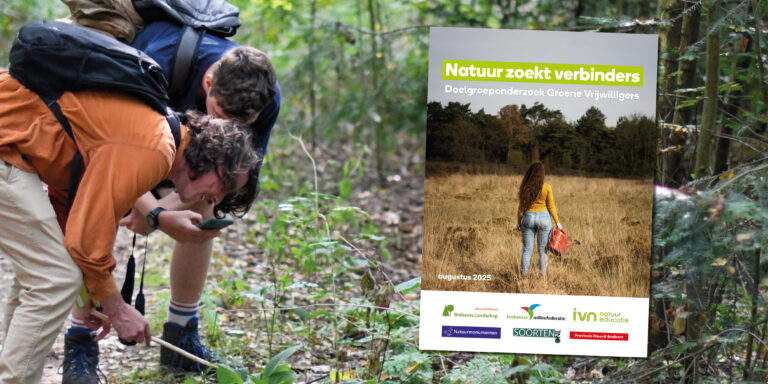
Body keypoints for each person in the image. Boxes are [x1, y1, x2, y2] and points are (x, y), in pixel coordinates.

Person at [54, 1, 281, 376]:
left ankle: (181, 334)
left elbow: (234, 177)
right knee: (98, 208)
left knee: (205, 210)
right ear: (208, 84)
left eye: (239, 127)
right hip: (119, 142)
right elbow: (104, 152)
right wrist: (152, 212)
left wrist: (164, 213)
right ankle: (81, 339)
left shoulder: (265, 98)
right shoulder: (156, 61)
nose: (226, 130)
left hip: (180, 157)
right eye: (220, 115)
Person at [0, 69, 259, 384]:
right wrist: (116, 307)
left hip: (13, 146)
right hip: (7, 144)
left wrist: (98, 291)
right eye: (225, 184)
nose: (218, 198)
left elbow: (76, 204)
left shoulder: (161, 138)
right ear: (215, 156)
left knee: (43, 271)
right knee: (55, 278)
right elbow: (87, 239)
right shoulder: (156, 148)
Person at [516, 162, 562, 276]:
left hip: (528, 218)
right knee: (542, 251)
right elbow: (551, 206)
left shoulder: (525, 187)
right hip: (544, 219)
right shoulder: (547, 187)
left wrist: (518, 223)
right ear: (542, 174)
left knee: (527, 250)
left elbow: (521, 208)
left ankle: (523, 276)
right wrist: (557, 222)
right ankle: (542, 277)